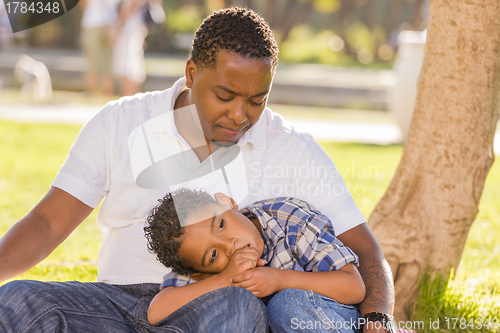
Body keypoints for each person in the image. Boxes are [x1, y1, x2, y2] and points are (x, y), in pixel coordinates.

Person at [0, 7, 394, 333]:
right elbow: (47, 224)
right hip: (116, 306)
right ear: (191, 73)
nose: (239, 115)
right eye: (225, 96)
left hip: (216, 310)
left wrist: (378, 319)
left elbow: (366, 254)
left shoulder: (293, 149)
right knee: (19, 301)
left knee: (238, 309)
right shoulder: (121, 121)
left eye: (256, 100)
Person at [144, 188, 365, 332]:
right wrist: (225, 279)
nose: (229, 245)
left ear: (227, 202)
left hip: (328, 319)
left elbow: (354, 287)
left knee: (286, 303)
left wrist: (280, 280)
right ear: (199, 272)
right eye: (213, 255)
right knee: (231, 308)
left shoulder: (287, 219)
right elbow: (156, 312)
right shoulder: (200, 266)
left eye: (221, 225)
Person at [80, 0, 119, 96]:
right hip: (111, 23)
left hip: (93, 23)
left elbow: (83, 4)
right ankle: (106, 93)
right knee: (108, 62)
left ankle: (90, 92)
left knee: (92, 60)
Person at [113, 0, 149, 96]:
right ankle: (131, 95)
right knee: (133, 63)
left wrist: (119, 28)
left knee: (127, 65)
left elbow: (129, 9)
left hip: (129, 29)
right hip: (137, 28)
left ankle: (127, 94)